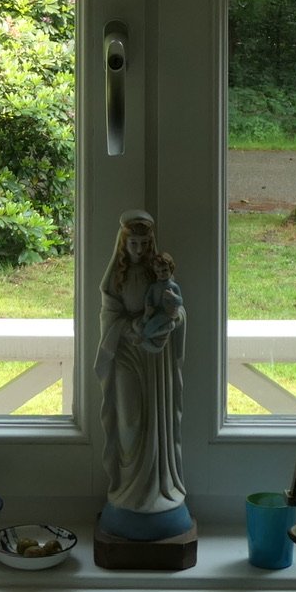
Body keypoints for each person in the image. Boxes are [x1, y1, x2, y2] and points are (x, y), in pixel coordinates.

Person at [95, 212, 190, 540]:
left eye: (143, 244)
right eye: (132, 243)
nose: (137, 249)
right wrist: (129, 327)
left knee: (157, 420)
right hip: (125, 353)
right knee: (130, 422)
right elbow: (109, 315)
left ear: (150, 245)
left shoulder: (158, 274)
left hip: (155, 358)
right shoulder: (116, 278)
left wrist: (173, 320)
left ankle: (156, 490)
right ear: (123, 244)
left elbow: (176, 309)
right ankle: (129, 492)